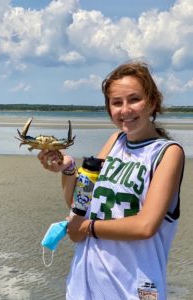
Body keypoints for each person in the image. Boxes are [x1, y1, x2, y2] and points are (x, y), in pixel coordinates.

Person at [38, 61, 185, 300]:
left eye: (134, 99)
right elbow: (79, 203)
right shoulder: (115, 141)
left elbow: (145, 226)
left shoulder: (167, 153)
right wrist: (67, 169)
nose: (125, 110)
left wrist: (86, 228)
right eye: (116, 102)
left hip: (134, 284)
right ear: (109, 108)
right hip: (87, 280)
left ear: (152, 102)